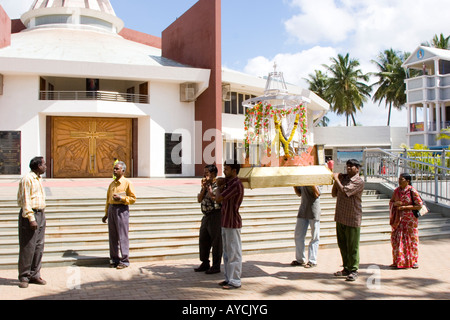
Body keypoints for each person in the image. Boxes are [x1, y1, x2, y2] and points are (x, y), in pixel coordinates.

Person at [332, 159, 365, 281]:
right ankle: (346, 268)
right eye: (348, 166)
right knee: (343, 244)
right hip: (341, 216)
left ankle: (353, 269)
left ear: (358, 168)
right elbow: (334, 193)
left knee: (353, 246)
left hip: (352, 218)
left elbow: (346, 192)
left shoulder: (358, 181)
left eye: (352, 166)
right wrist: (337, 180)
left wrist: (336, 179)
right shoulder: (344, 179)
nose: (349, 168)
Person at [17, 156, 47, 288]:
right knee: (28, 247)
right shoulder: (27, 179)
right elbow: (25, 200)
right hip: (31, 216)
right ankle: (24, 276)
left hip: (40, 214)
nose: (45, 167)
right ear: (37, 166)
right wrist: (31, 218)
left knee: (39, 246)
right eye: (44, 164)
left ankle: (35, 274)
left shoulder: (38, 178)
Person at [215, 159, 244, 290]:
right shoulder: (229, 182)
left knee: (234, 253)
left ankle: (235, 280)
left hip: (233, 222)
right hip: (225, 221)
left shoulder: (236, 184)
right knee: (226, 253)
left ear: (234, 171)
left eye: (226, 169)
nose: (224, 171)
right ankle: (228, 278)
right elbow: (221, 181)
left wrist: (218, 188)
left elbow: (219, 198)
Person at [102, 161, 136, 269]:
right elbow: (108, 200)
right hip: (112, 209)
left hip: (121, 210)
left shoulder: (127, 183)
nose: (115, 170)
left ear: (123, 171)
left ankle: (125, 260)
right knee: (113, 236)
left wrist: (121, 198)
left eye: (117, 169)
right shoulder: (112, 184)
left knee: (122, 235)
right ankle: (114, 259)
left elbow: (133, 198)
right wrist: (106, 213)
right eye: (114, 168)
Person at [389, 173, 422, 269]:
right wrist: (395, 204)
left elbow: (419, 205)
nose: (399, 181)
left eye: (401, 179)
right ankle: (398, 260)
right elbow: (391, 202)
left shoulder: (412, 191)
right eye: (399, 179)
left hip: (410, 220)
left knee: (411, 240)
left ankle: (413, 260)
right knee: (397, 239)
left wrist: (405, 207)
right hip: (398, 219)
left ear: (407, 181)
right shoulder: (396, 191)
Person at [195, 164, 222, 274]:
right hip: (206, 215)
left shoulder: (218, 185)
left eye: (207, 173)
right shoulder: (205, 186)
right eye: (204, 172)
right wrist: (204, 188)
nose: (204, 175)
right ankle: (205, 262)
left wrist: (209, 187)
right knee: (203, 239)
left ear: (213, 174)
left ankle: (216, 266)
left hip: (215, 215)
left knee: (216, 242)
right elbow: (199, 199)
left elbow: (215, 198)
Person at [291, 186, 321, 268]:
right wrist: (295, 186)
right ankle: (300, 259)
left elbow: (317, 194)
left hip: (313, 210)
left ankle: (312, 260)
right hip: (303, 210)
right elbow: (299, 193)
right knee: (298, 235)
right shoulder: (303, 178)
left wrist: (311, 183)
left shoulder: (318, 179)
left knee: (314, 236)